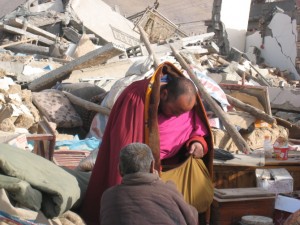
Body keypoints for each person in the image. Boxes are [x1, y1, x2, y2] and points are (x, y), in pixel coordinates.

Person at [80, 61, 214, 225]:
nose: (177, 116)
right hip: (140, 172)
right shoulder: (136, 98)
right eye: (175, 111)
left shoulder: (186, 105)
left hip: (173, 171)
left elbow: (198, 130)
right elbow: (124, 144)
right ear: (164, 95)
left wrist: (198, 143)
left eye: (182, 114)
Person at [100, 142, 199, 225]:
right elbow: (192, 219)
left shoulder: (108, 196)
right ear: (152, 166)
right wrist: (159, 182)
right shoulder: (168, 190)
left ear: (119, 170)